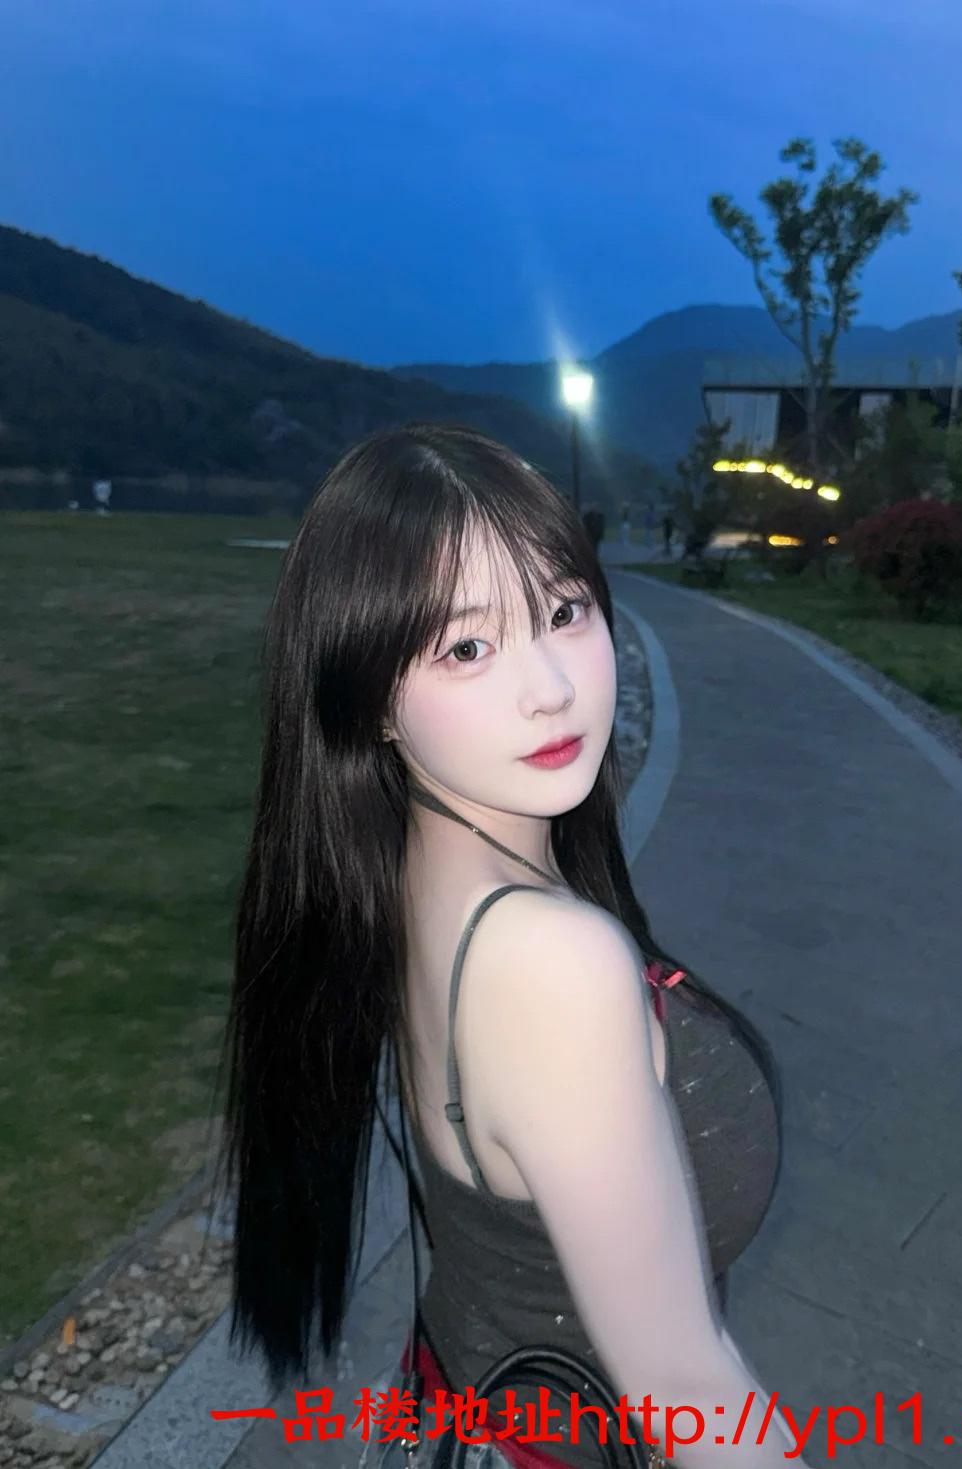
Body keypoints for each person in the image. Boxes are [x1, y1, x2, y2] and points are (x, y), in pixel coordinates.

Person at [214, 422, 803, 1469]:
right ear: (371, 699)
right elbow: (684, 1384)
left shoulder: (406, 867)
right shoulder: (550, 962)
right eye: (467, 648)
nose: (550, 687)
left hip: (458, 1393)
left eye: (564, 611)